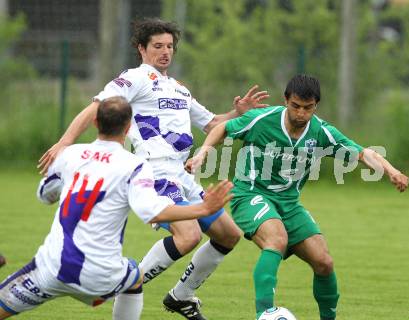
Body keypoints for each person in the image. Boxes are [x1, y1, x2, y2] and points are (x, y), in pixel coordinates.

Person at [37, 18, 268, 320]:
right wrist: (64, 143)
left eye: (169, 46)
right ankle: (128, 282)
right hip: (154, 174)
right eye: (157, 46)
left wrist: (236, 113)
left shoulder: (178, 89)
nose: (165, 52)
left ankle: (181, 297)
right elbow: (97, 107)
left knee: (228, 235)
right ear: (141, 49)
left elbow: (212, 123)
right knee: (188, 236)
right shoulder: (134, 79)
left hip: (182, 175)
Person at [187, 74, 409, 320]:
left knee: (324, 262)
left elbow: (361, 153)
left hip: (289, 205)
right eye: (295, 106)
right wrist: (203, 152)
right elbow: (223, 128)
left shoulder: (322, 132)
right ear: (286, 101)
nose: (301, 113)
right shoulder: (262, 119)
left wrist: (392, 171)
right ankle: (265, 314)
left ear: (316, 106)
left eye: (308, 108)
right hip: (250, 195)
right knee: (277, 239)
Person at [0, 97, 233, 320]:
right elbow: (154, 212)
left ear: (95, 123)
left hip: (49, 270)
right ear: (128, 126)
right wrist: (203, 208)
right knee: (134, 276)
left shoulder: (70, 155)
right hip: (103, 275)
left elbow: (44, 195)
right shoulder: (134, 165)